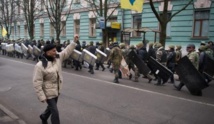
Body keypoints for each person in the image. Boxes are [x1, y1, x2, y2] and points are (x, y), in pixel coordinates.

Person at [32, 37, 77, 124]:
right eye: (53, 51)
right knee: (55, 111)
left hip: (56, 89)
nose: (55, 52)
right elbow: (37, 82)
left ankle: (43, 116)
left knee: (51, 107)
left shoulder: (57, 58)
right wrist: (41, 96)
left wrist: (74, 42)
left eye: (55, 50)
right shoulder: (40, 65)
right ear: (47, 52)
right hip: (47, 91)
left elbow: (66, 52)